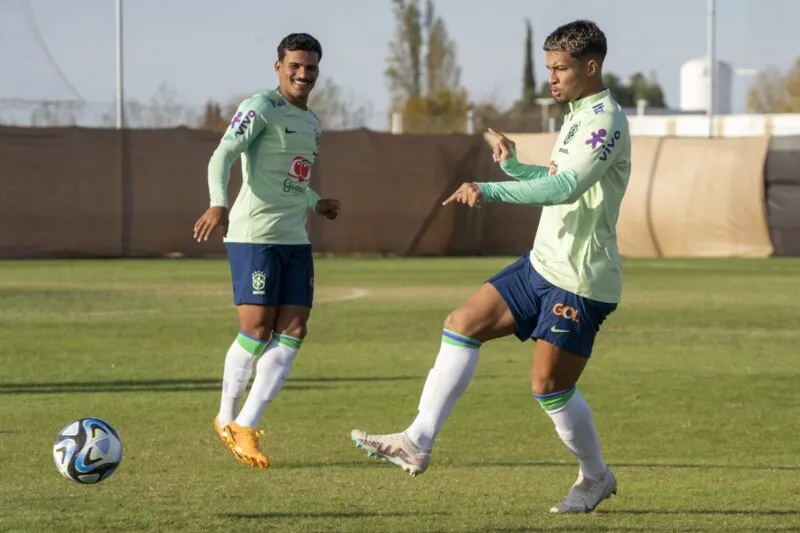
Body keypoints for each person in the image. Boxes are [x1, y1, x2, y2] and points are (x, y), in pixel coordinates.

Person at [350, 19, 630, 513]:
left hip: (580, 280)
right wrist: (514, 166)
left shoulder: (605, 119)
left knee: (549, 388)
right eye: (548, 68)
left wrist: (492, 189)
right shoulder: (575, 115)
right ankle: (417, 439)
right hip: (542, 264)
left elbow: (566, 189)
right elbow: (555, 177)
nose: (552, 78)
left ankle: (595, 477)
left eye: (561, 68)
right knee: (462, 324)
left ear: (592, 66)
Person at [192, 32, 341, 469]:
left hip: (295, 237)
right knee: (257, 330)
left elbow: (291, 179)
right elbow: (223, 154)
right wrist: (218, 201)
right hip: (254, 234)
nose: (302, 73)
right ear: (278, 66)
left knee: (294, 329)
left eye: (310, 66)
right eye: (294, 65)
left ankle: (246, 424)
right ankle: (224, 417)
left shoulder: (312, 122)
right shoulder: (260, 107)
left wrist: (317, 201)